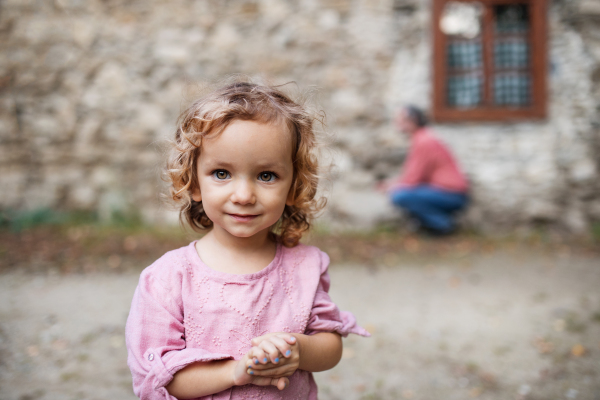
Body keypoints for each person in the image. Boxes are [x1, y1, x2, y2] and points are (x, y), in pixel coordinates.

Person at [125, 81, 369, 400]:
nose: (243, 196)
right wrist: (235, 372)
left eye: (266, 176)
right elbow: (159, 378)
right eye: (222, 173)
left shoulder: (304, 268)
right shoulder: (167, 279)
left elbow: (330, 343)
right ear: (193, 181)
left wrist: (298, 350)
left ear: (293, 186)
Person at [383, 106, 469, 234]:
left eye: (401, 120)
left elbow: (413, 178)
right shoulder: (424, 137)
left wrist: (391, 186)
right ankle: (431, 225)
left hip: (452, 195)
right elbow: (413, 176)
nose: (397, 123)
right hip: (447, 192)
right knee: (402, 192)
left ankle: (443, 224)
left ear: (413, 120)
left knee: (400, 195)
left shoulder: (424, 141)